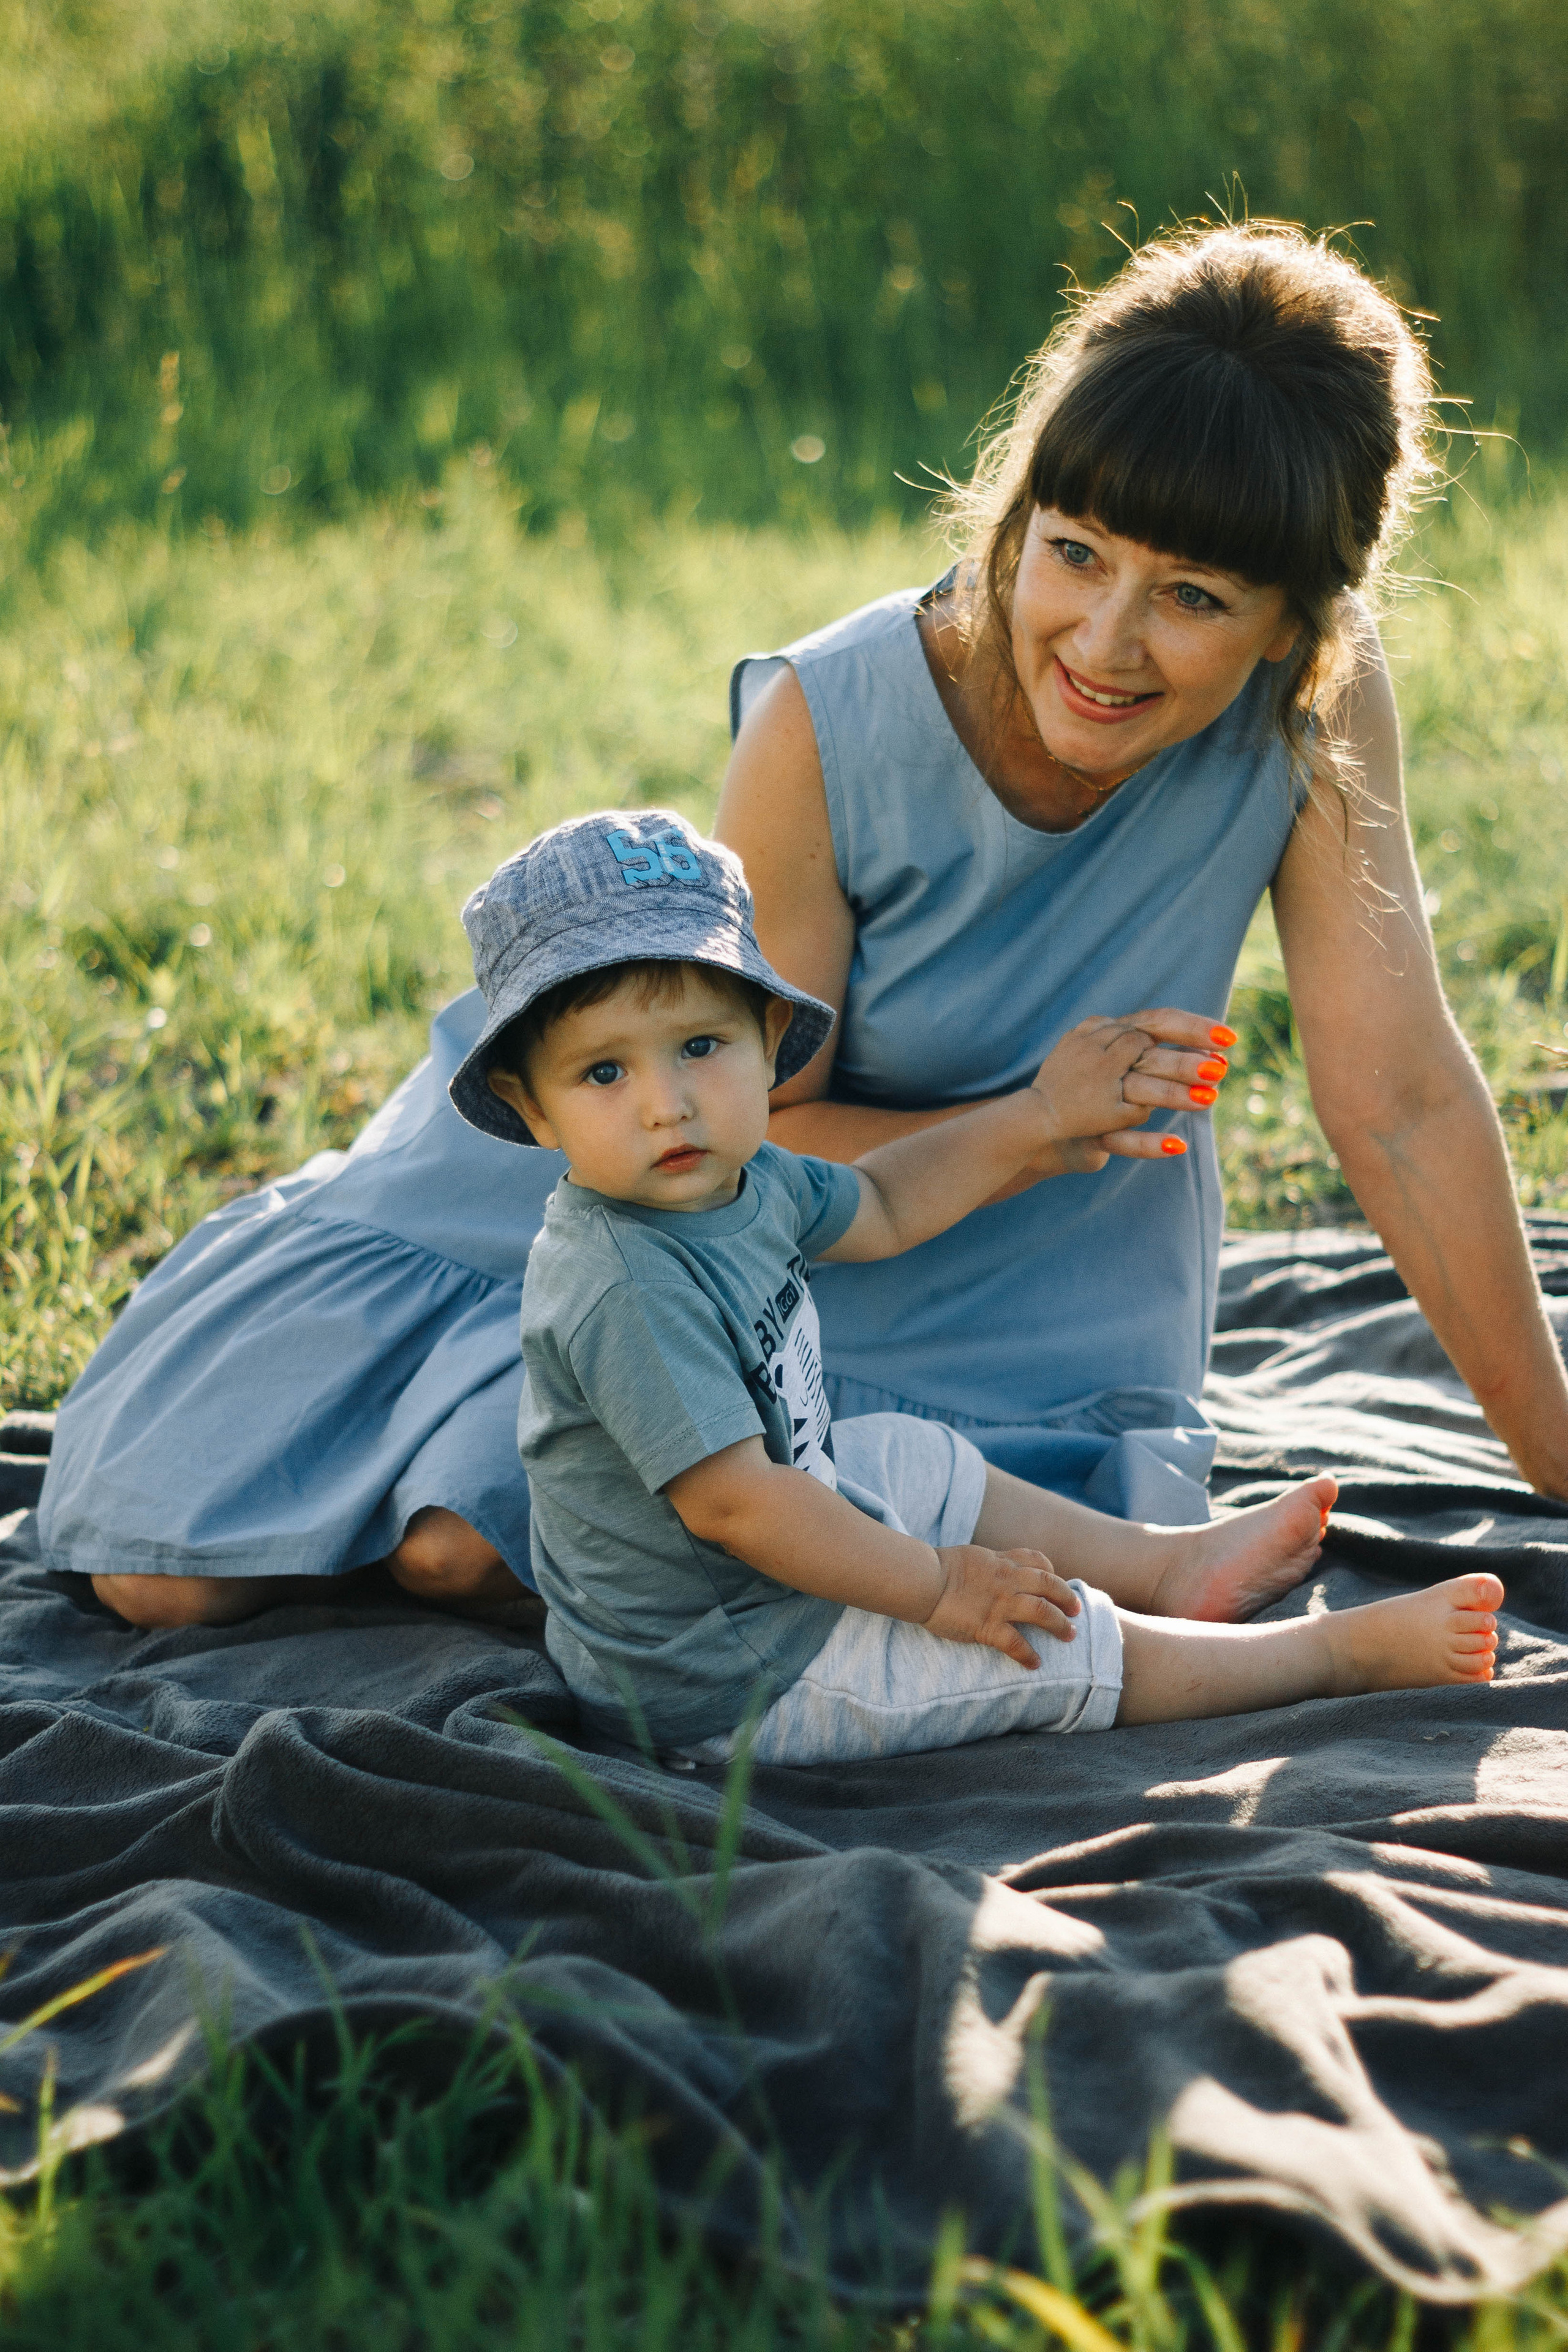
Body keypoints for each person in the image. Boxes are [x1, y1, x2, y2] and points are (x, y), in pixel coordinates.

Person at [40, 221, 1568, 1627]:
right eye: (1074, 554)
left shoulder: (1313, 706)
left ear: (1296, 624)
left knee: (488, 1540)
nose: (1103, 643)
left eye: (1190, 598)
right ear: (1018, 513)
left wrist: (1556, 1458)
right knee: (156, 1575)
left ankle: (513, 1522)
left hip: (1021, 1276)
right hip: (685, 1186)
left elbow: (1402, 1099)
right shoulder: (826, 720)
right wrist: (1034, 1118)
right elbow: (736, 1138)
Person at [450, 811, 1498, 1766]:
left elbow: (884, 1203)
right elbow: (739, 1507)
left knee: (910, 1453)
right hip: (726, 1681)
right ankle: (1324, 1660)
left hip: (758, 1578)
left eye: (699, 1046)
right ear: (530, 1108)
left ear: (768, 1042)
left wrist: (1039, 1116)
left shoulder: (742, 1182)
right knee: (1045, 1645)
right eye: (604, 1074)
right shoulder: (623, 1281)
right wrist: (942, 1586)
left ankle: (1166, 1565)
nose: (666, 1105)